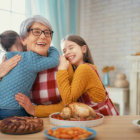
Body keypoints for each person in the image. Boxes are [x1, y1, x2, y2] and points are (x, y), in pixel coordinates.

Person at [15, 35, 119, 117]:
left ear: (83, 49)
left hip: (105, 118)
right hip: (96, 118)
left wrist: (61, 70)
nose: (67, 53)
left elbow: (68, 101)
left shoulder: (84, 69)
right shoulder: (79, 70)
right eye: (64, 51)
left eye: (71, 47)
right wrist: (35, 110)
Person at [0, 25, 59, 118]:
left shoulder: (5, 59)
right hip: (15, 109)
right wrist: (52, 48)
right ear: (21, 40)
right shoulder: (29, 57)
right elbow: (54, 61)